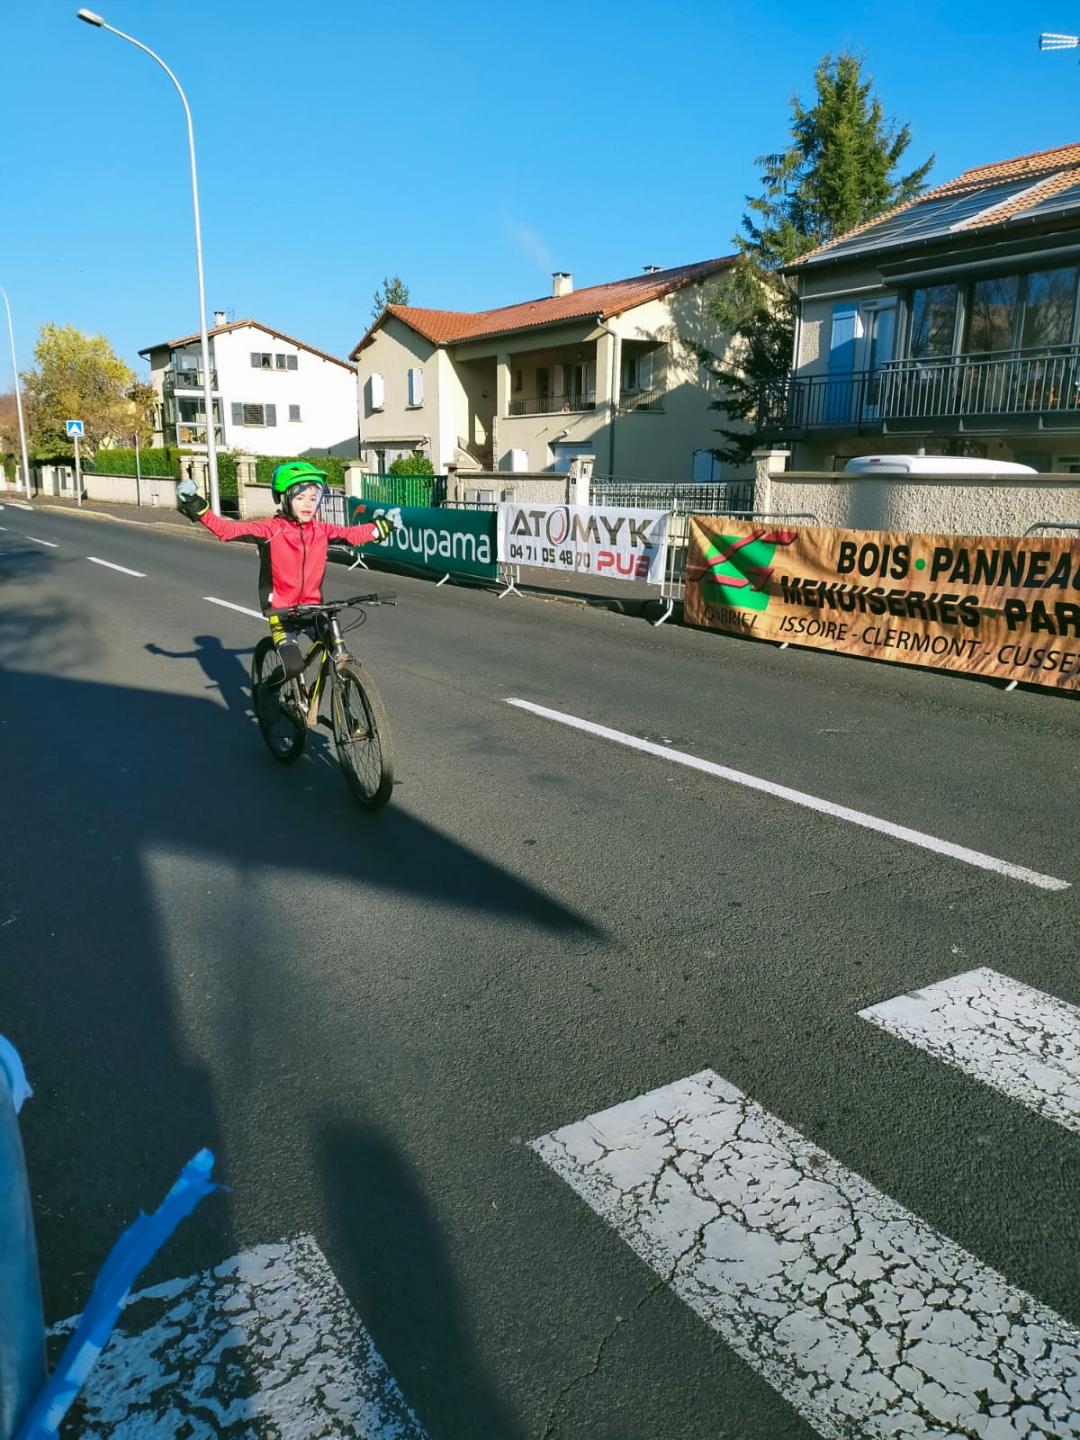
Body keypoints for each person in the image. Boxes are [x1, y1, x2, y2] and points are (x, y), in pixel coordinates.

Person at [175, 460, 397, 681]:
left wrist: (381, 527)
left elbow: (352, 535)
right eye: (300, 498)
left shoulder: (320, 530)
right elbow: (226, 529)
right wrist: (195, 503)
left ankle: (325, 701)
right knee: (293, 667)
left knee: (336, 649)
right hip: (281, 613)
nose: (308, 504)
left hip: (313, 609)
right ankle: (269, 694)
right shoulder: (270, 529)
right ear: (284, 499)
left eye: (313, 498)